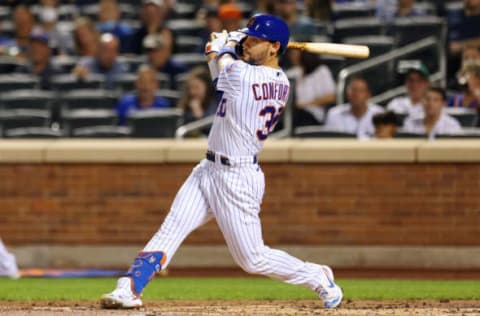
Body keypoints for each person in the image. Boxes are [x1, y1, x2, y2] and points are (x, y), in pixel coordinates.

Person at [100, 13, 343, 310]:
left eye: (256, 40)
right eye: (249, 38)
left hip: (237, 178)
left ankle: (316, 275)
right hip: (209, 169)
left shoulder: (244, 75)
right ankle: (128, 288)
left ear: (274, 48)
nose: (249, 44)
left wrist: (222, 44)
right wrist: (231, 43)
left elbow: (220, 61)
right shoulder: (277, 79)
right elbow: (222, 65)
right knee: (171, 228)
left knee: (252, 259)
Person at [287, 51, 336, 126]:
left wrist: (305, 105)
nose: (291, 57)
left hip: (314, 115)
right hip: (294, 113)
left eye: (294, 54)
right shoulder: (293, 73)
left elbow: (331, 97)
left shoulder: (321, 71)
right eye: (291, 54)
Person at [177, 66, 218, 136]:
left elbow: (213, 129)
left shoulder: (215, 103)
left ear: (207, 88)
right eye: (191, 88)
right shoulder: (187, 103)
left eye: (197, 87)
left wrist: (199, 114)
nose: (193, 92)